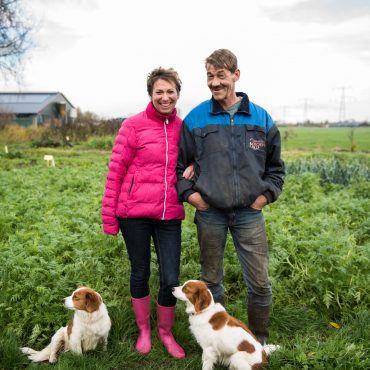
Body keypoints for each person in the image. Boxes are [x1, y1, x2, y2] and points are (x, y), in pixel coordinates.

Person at [176, 49, 285, 345]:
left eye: (220, 75)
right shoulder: (196, 118)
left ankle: (258, 341)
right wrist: (193, 197)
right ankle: (216, 340)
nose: (214, 82)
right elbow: (177, 168)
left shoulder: (261, 118)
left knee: (260, 284)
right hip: (210, 212)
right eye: (210, 76)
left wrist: (263, 198)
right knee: (211, 282)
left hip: (250, 213)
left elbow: (276, 170)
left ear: (236, 75)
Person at [102, 67, 188, 359]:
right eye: (159, 92)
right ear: (151, 95)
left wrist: (193, 170)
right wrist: (109, 216)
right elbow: (115, 172)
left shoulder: (183, 128)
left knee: (170, 277)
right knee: (140, 271)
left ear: (178, 93)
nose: (165, 97)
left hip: (168, 214)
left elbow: (192, 163)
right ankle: (144, 330)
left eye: (170, 91)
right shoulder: (132, 126)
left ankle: (165, 331)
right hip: (133, 213)